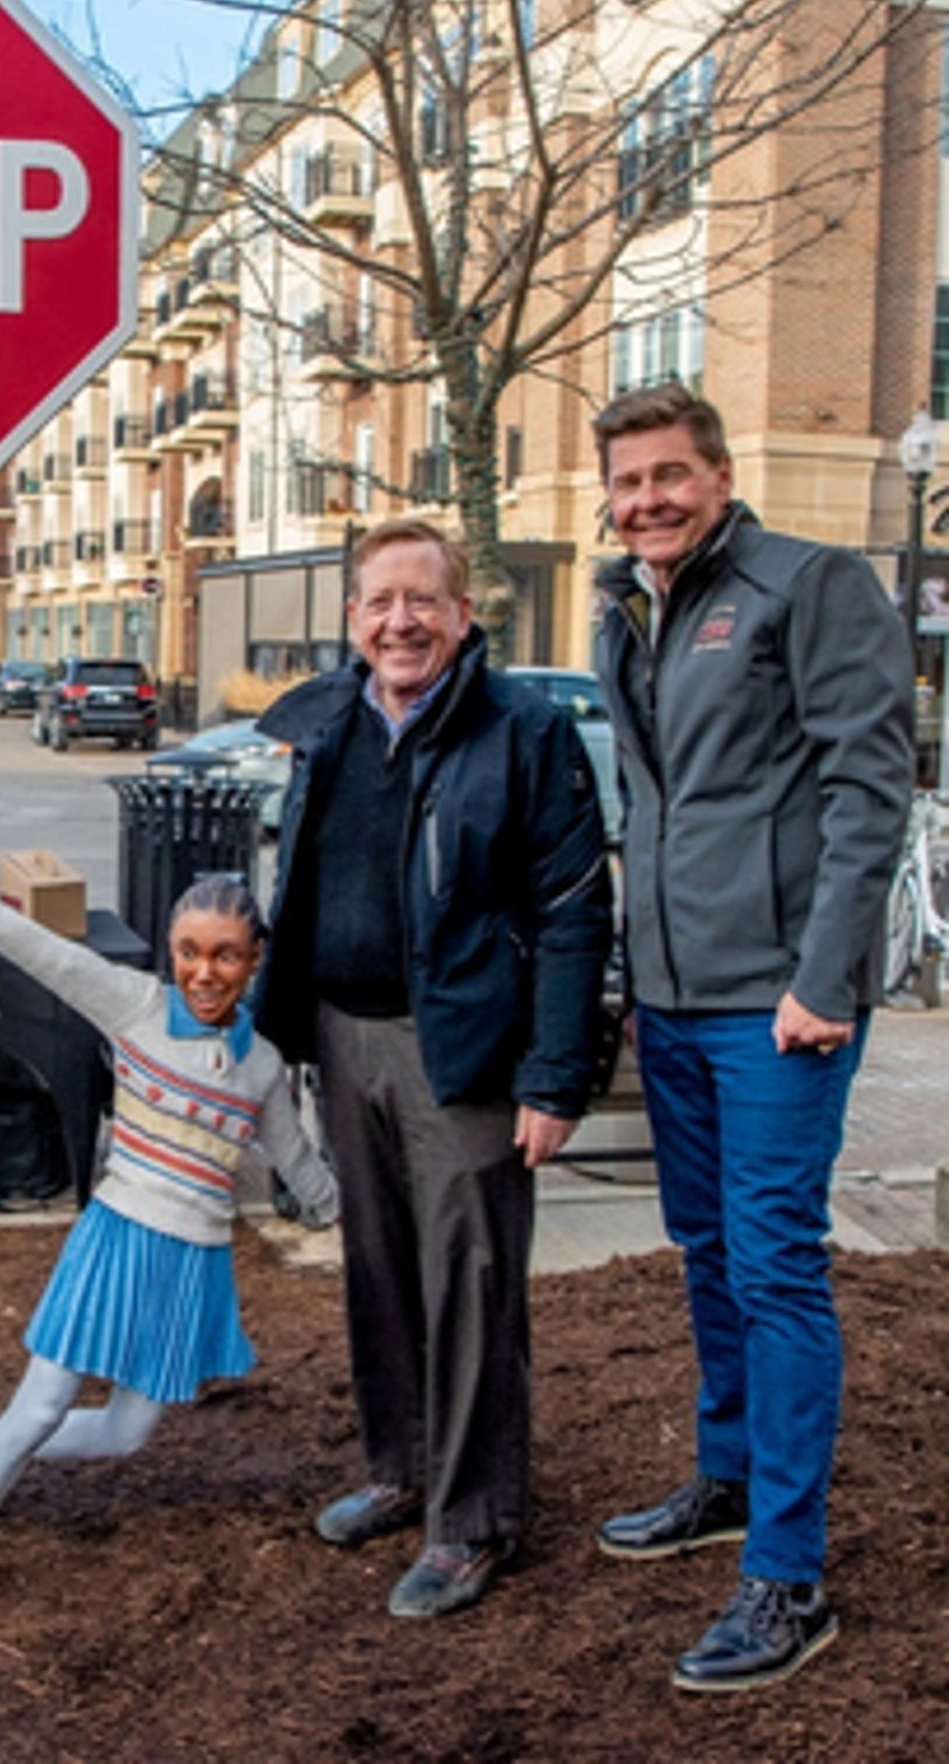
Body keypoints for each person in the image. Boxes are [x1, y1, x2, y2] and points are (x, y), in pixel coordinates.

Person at [589, 384, 914, 1693]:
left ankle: (788, 1571)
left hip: (779, 1003)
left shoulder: (807, 584)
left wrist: (824, 973)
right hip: (671, 996)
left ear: (719, 475)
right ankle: (727, 1478)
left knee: (776, 1262)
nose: (650, 498)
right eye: (628, 481)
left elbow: (869, 784)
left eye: (672, 473)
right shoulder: (632, 611)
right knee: (709, 1246)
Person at [253, 517, 612, 1620]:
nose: (398, 621)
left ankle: (473, 1522)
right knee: (378, 1274)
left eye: (421, 600)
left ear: (463, 615)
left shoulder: (522, 730)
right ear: (352, 618)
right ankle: (399, 1470)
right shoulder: (326, 720)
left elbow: (569, 912)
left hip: (461, 1051)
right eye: (377, 602)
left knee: (468, 1289)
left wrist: (553, 1079)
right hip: (343, 1034)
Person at [0, 852, 340, 1651]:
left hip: (191, 1262)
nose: (204, 971)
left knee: (127, 1434)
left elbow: (301, 1166)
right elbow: (39, 948)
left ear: (254, 959)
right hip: (117, 1239)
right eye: (189, 951)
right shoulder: (134, 1006)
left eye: (226, 954)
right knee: (44, 1407)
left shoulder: (261, 1064)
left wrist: (376, 1218)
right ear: (169, 949)